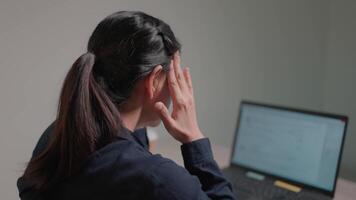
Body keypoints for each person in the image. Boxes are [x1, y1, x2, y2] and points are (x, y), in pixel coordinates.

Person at [17, 10, 236, 200]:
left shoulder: (59, 135)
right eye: (173, 76)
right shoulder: (157, 178)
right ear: (154, 80)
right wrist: (194, 139)